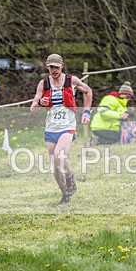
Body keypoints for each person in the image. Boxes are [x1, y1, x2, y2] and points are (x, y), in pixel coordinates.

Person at [30, 53, 92, 205]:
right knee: (55, 166)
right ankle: (65, 195)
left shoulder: (72, 80)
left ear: (62, 66)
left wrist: (86, 112)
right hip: (51, 127)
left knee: (60, 154)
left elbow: (88, 91)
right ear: (48, 67)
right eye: (51, 67)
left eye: (57, 67)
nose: (54, 70)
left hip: (67, 126)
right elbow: (33, 109)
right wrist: (40, 102)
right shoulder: (43, 84)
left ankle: (71, 177)